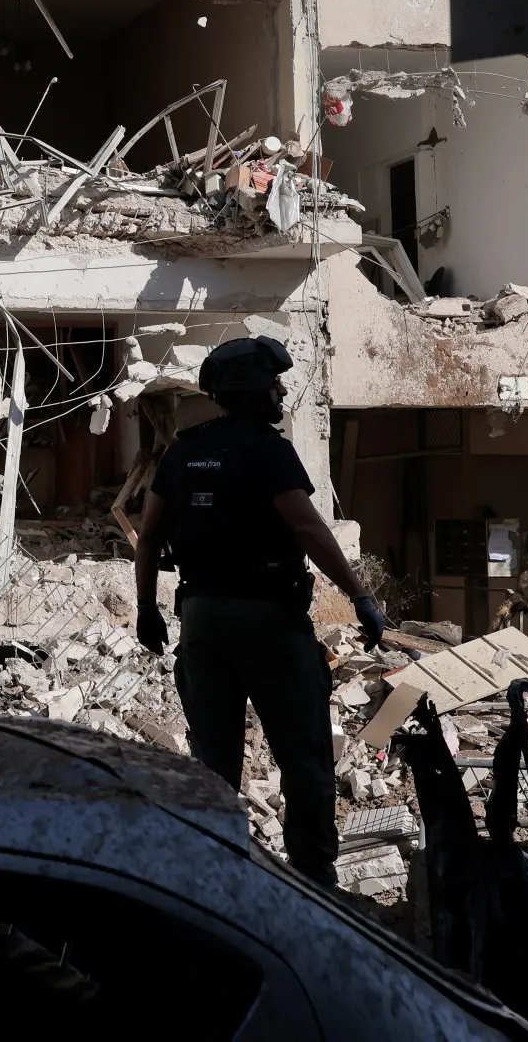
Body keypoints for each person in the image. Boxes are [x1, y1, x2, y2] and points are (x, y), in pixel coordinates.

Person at [132, 335, 386, 887]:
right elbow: (305, 525)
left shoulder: (183, 451)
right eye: (274, 384)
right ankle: (315, 885)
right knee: (305, 762)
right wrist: (361, 597)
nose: (281, 392)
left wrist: (146, 608)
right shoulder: (268, 450)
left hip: (201, 625)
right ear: (252, 391)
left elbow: (148, 535)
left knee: (213, 770)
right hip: (269, 626)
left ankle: (213, 882)